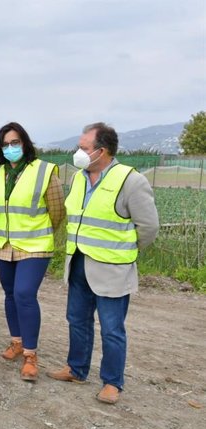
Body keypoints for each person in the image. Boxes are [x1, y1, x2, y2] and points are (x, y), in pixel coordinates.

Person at [47, 122, 159, 404]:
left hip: (112, 269)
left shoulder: (130, 180)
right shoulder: (80, 178)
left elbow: (148, 227)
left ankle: (112, 382)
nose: (78, 153)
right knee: (77, 320)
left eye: (84, 148)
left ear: (102, 151)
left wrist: (125, 250)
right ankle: (77, 368)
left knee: (111, 328)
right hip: (78, 263)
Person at [0, 122, 65, 381]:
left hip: (34, 246)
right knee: (10, 294)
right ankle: (16, 342)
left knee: (24, 294)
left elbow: (57, 210)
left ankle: (31, 356)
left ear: (25, 143)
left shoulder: (44, 171)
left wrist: (40, 231)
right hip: (3, 245)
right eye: (6, 144)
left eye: (15, 142)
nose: (11, 148)